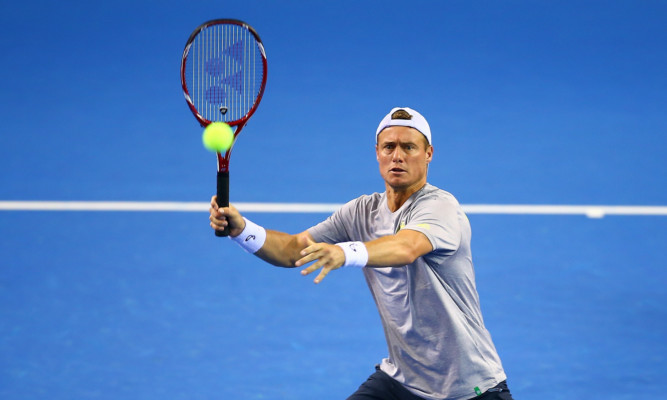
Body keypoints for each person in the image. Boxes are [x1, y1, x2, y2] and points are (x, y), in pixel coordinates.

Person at [209, 107, 514, 400]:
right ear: (377, 153)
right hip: (403, 382)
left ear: (429, 154)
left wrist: (345, 252)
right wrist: (242, 229)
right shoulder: (360, 212)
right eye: (389, 147)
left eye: (409, 147)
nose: (397, 156)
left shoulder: (441, 207)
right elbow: (293, 250)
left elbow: (407, 246)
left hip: (468, 390)